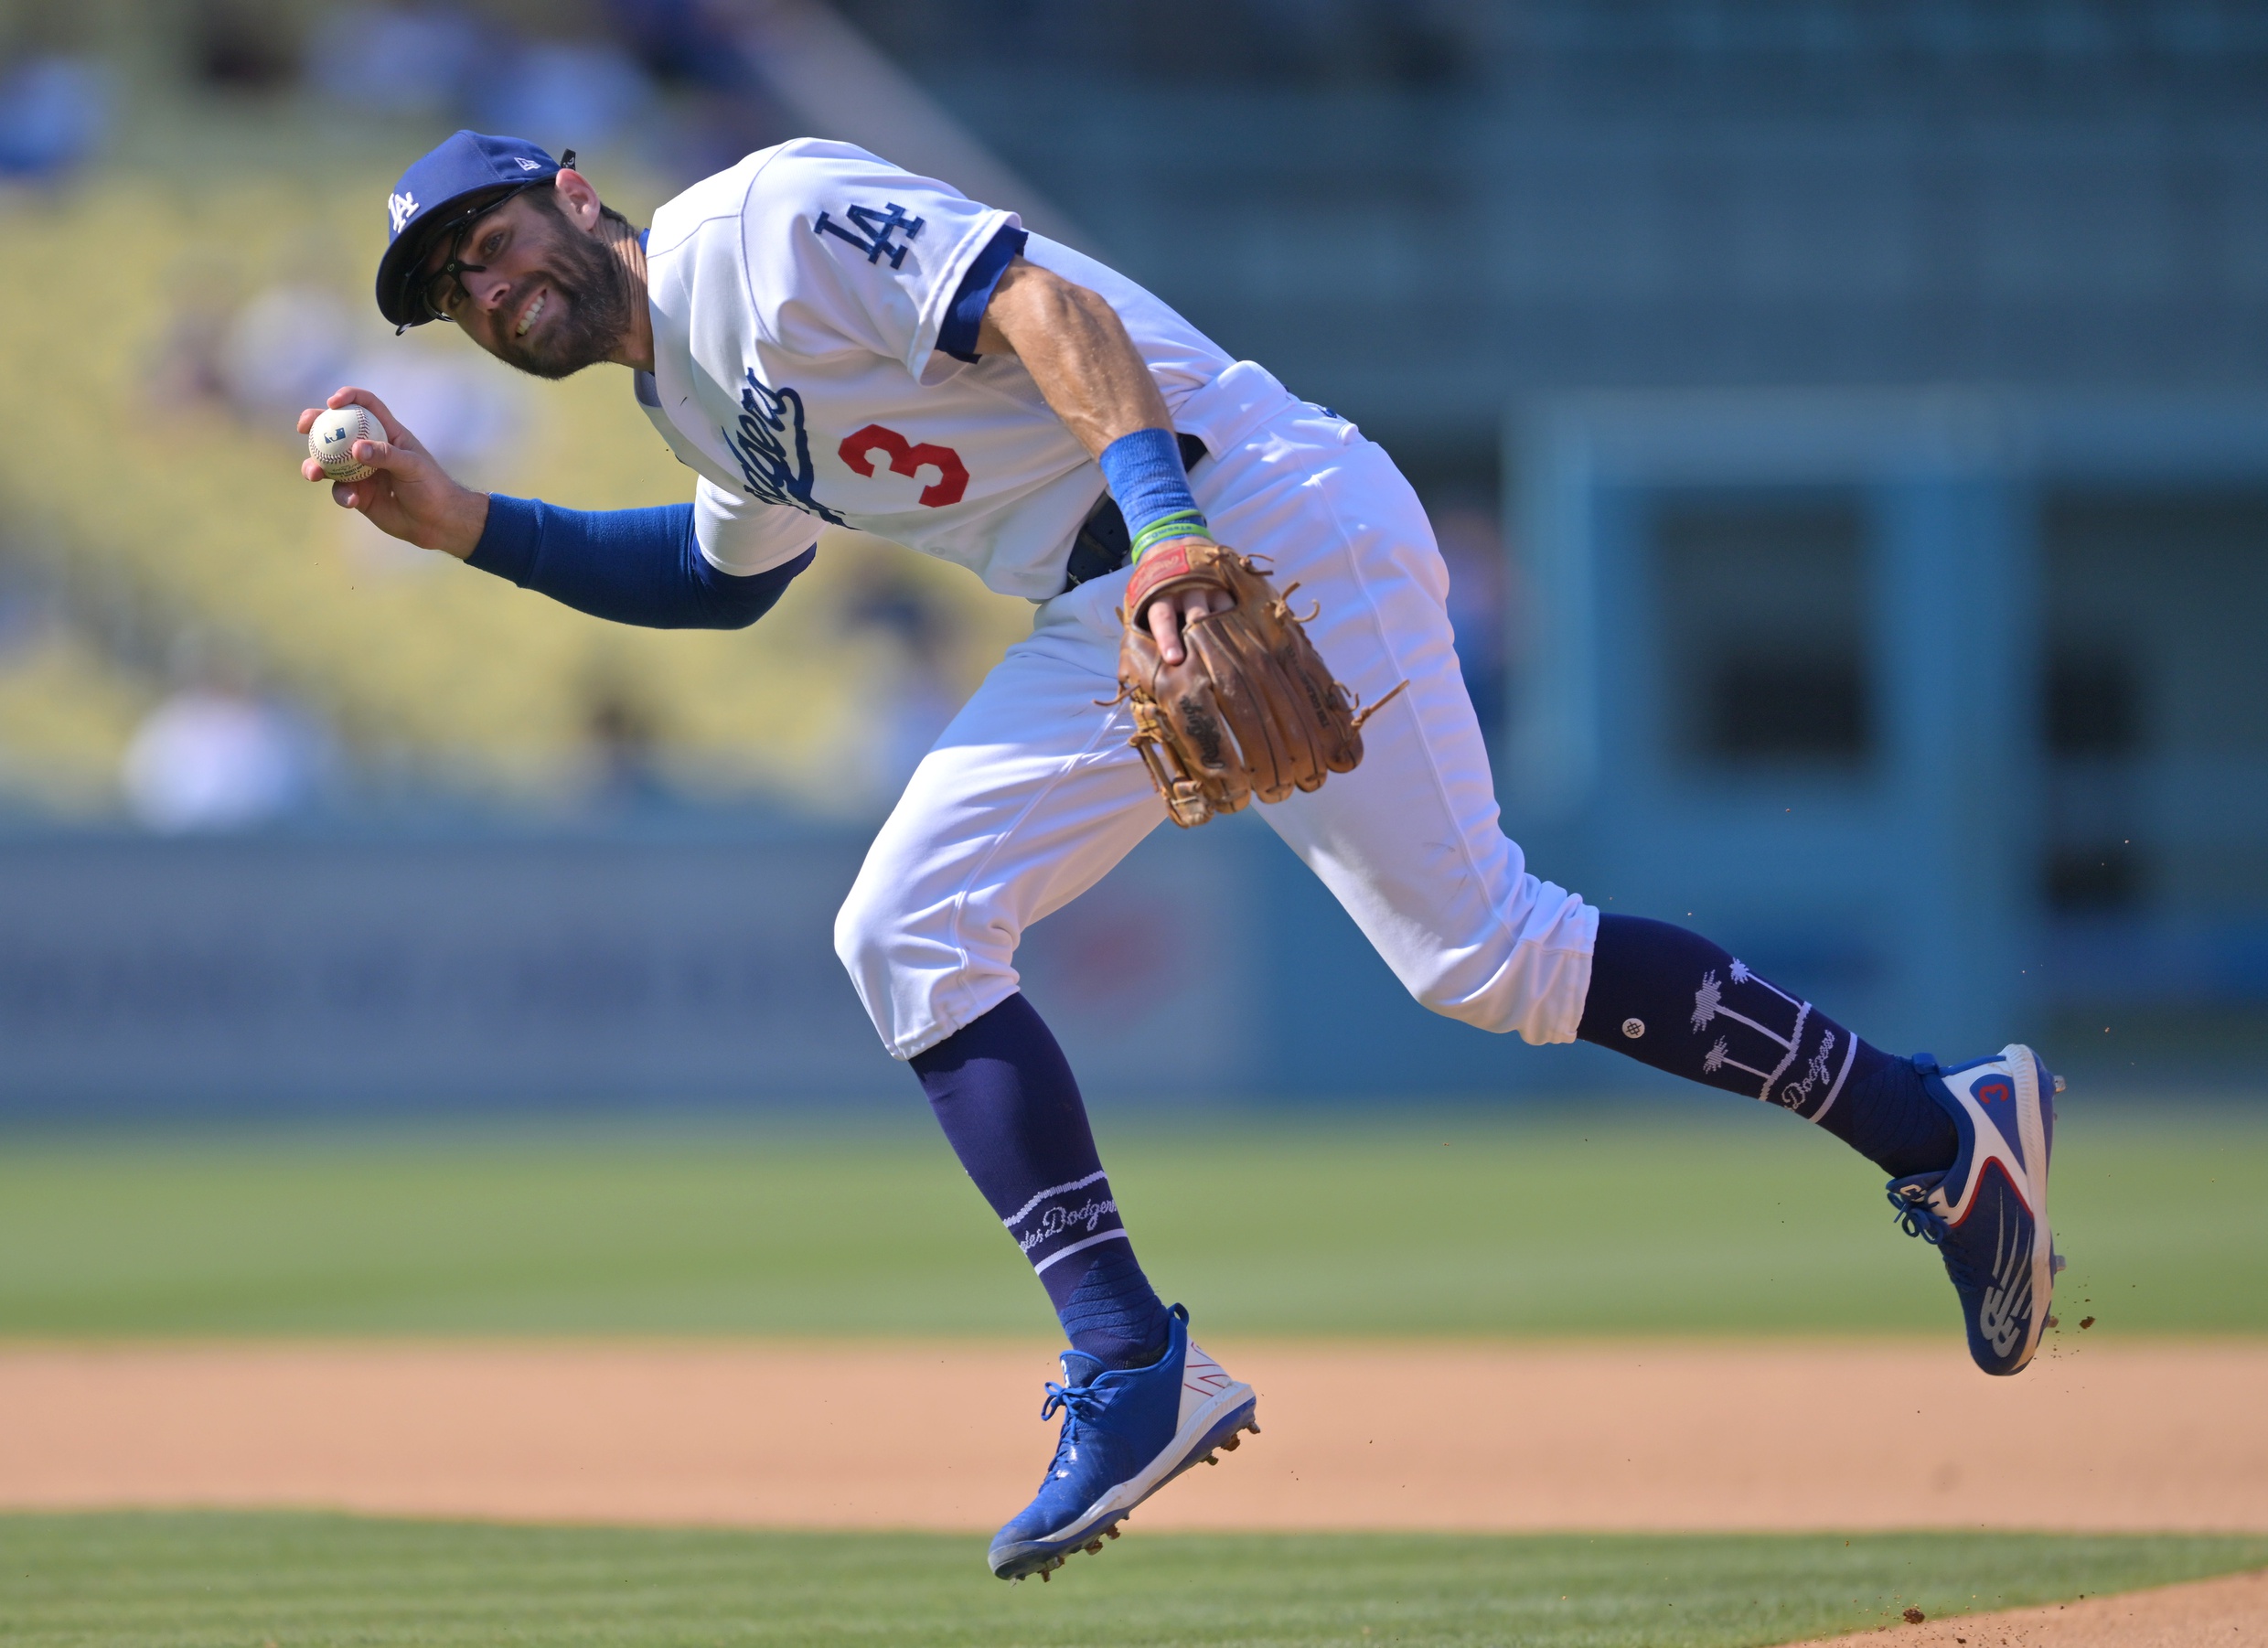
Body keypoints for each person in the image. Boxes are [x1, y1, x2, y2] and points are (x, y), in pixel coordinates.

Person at [305, 130, 2062, 1582]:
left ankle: (1935, 1124)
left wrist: (1166, 540)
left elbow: (1040, 302)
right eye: (446, 281)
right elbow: (711, 576)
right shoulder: (688, 397)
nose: (481, 278)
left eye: (487, 228)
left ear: (572, 189)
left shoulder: (755, 228)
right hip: (1102, 595)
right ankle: (1130, 1355)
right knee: (908, 926)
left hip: (1242, 508)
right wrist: (454, 522)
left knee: (1489, 959)